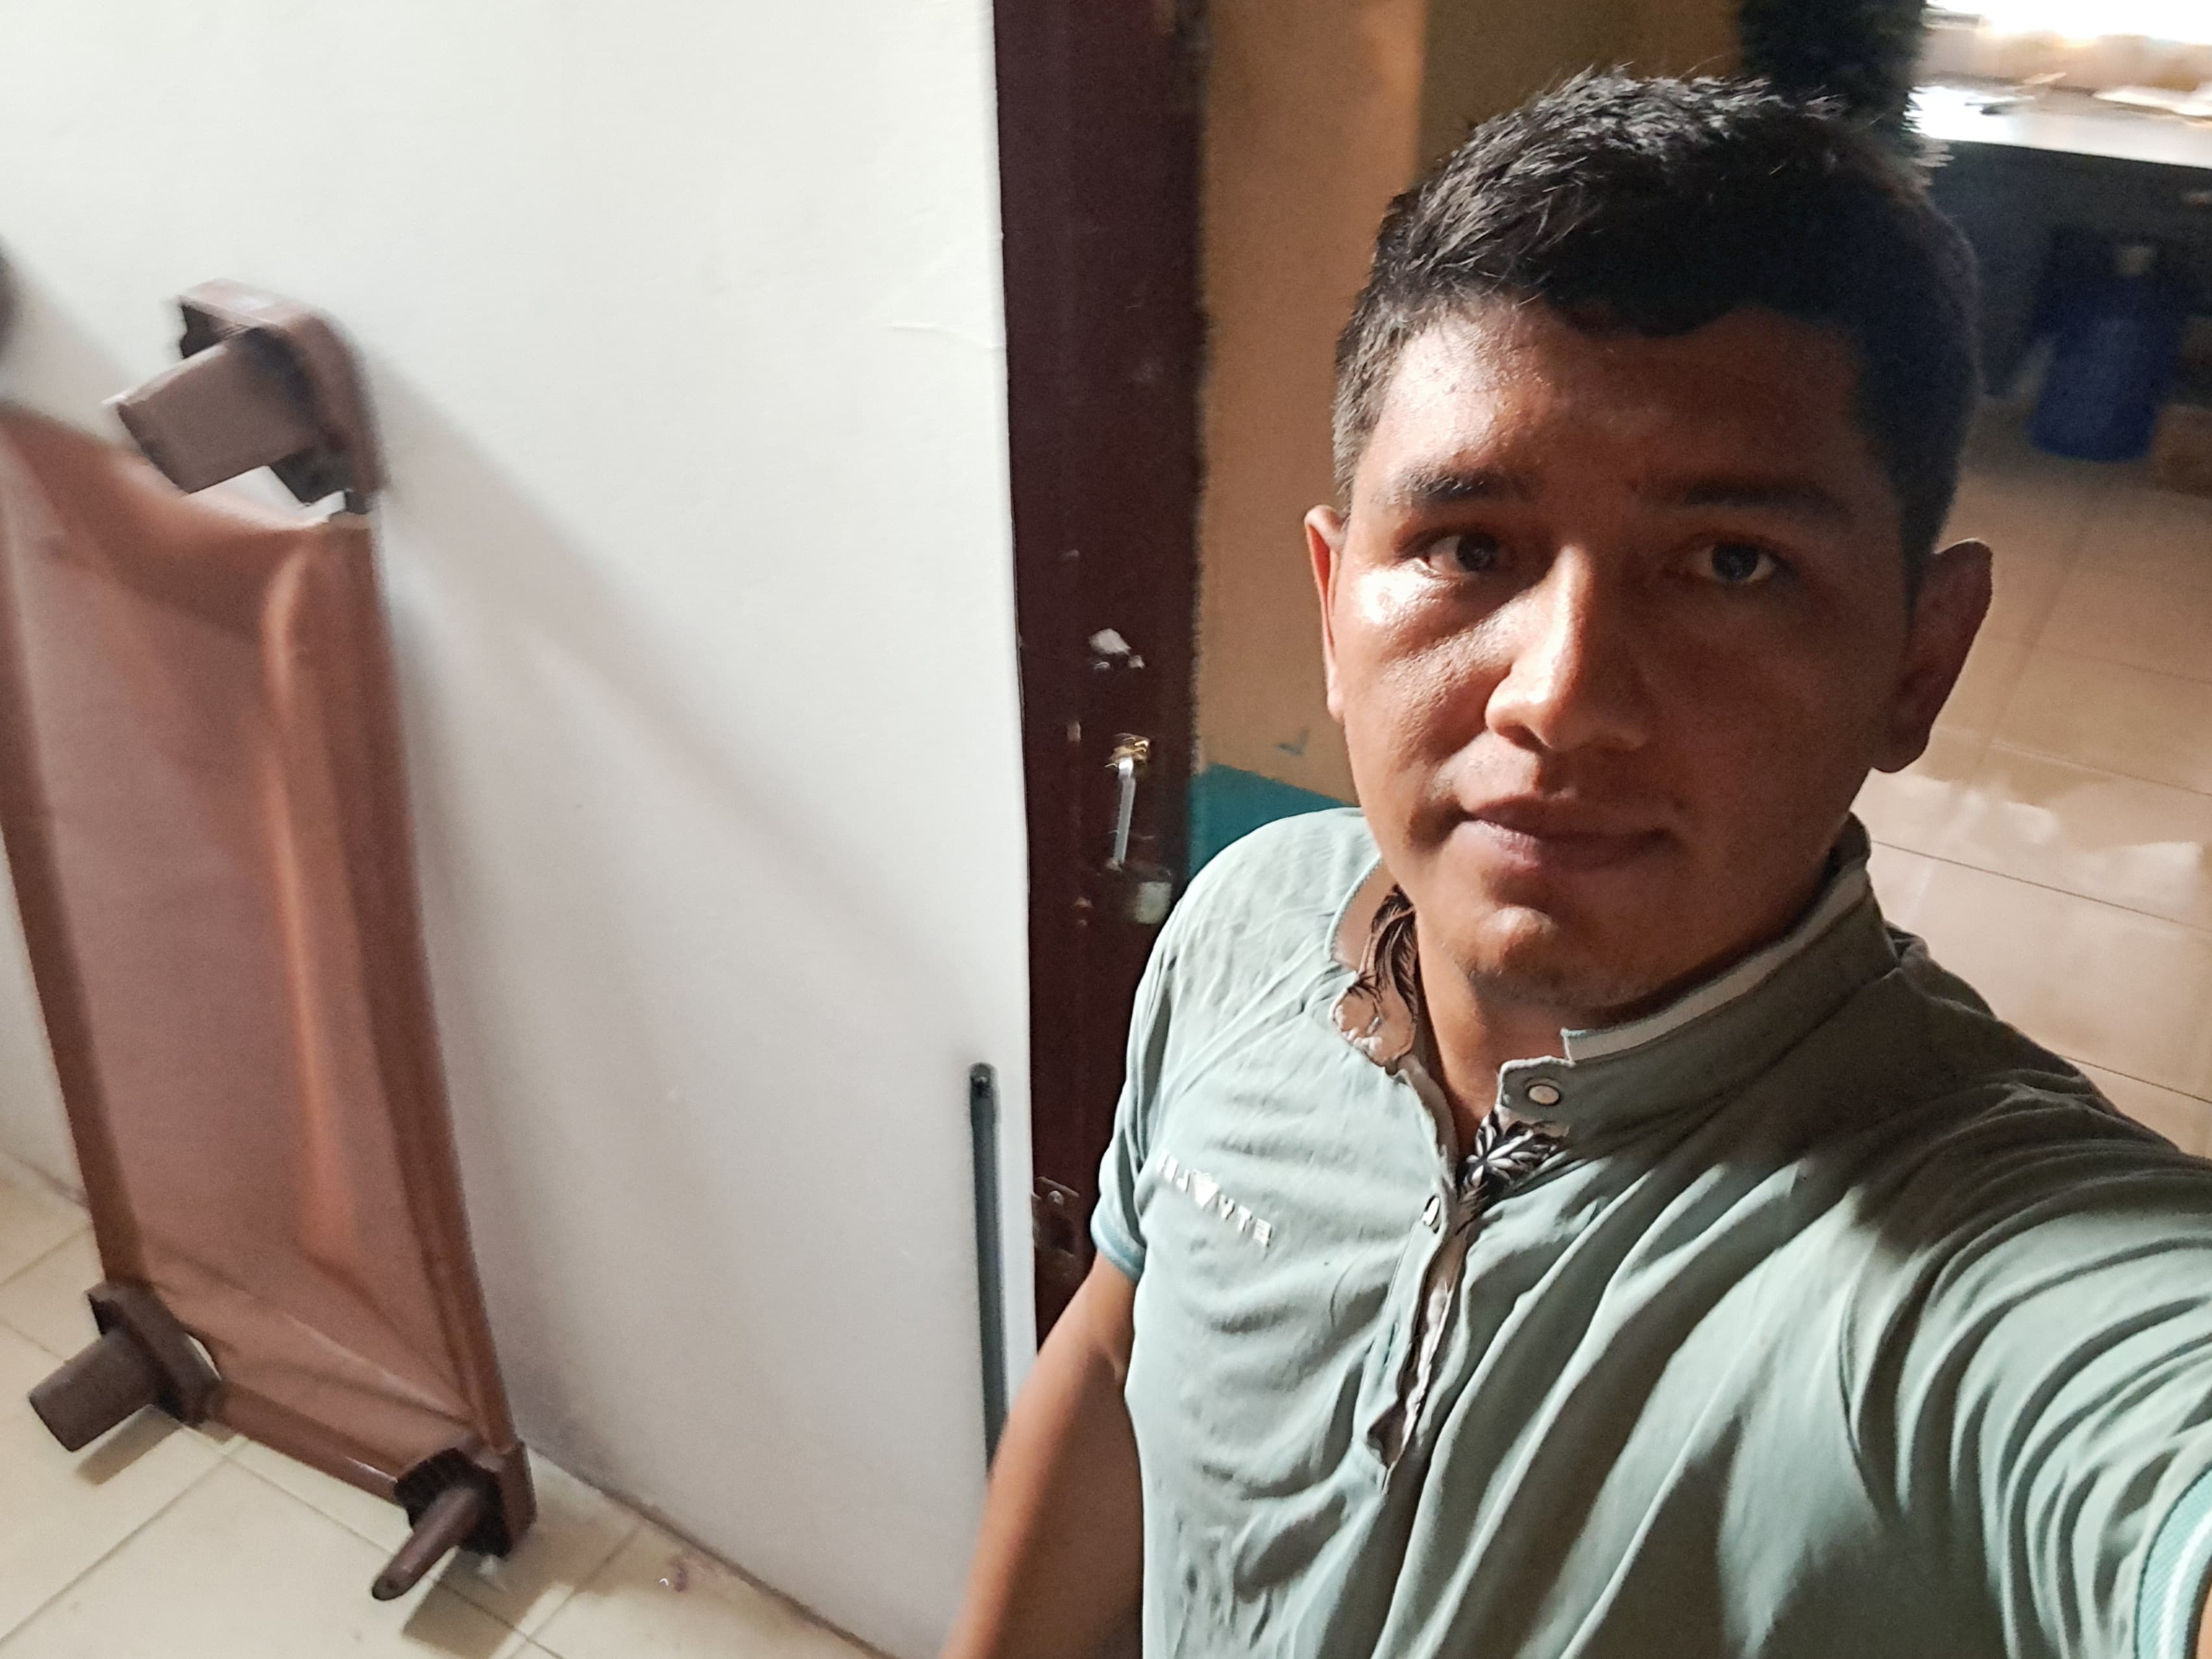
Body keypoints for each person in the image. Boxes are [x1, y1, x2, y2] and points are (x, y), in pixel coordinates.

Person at [943, 74, 2212, 1659]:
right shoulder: (1247, 923)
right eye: (1470, 546)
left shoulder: (1986, 1270)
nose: (1560, 695)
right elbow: (1118, 1356)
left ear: (1919, 659)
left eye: (1733, 563)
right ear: (1337, 608)